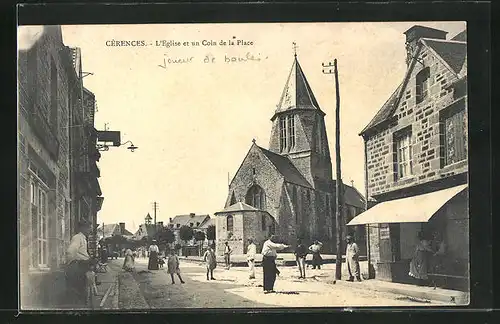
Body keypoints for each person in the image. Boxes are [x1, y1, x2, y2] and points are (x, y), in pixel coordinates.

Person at [65, 220, 96, 306]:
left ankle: (85, 305)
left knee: (85, 291)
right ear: (83, 228)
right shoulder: (78, 238)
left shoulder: (83, 238)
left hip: (84, 266)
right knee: (81, 292)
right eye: (89, 228)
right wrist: (74, 264)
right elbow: (70, 252)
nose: (90, 230)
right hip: (79, 268)